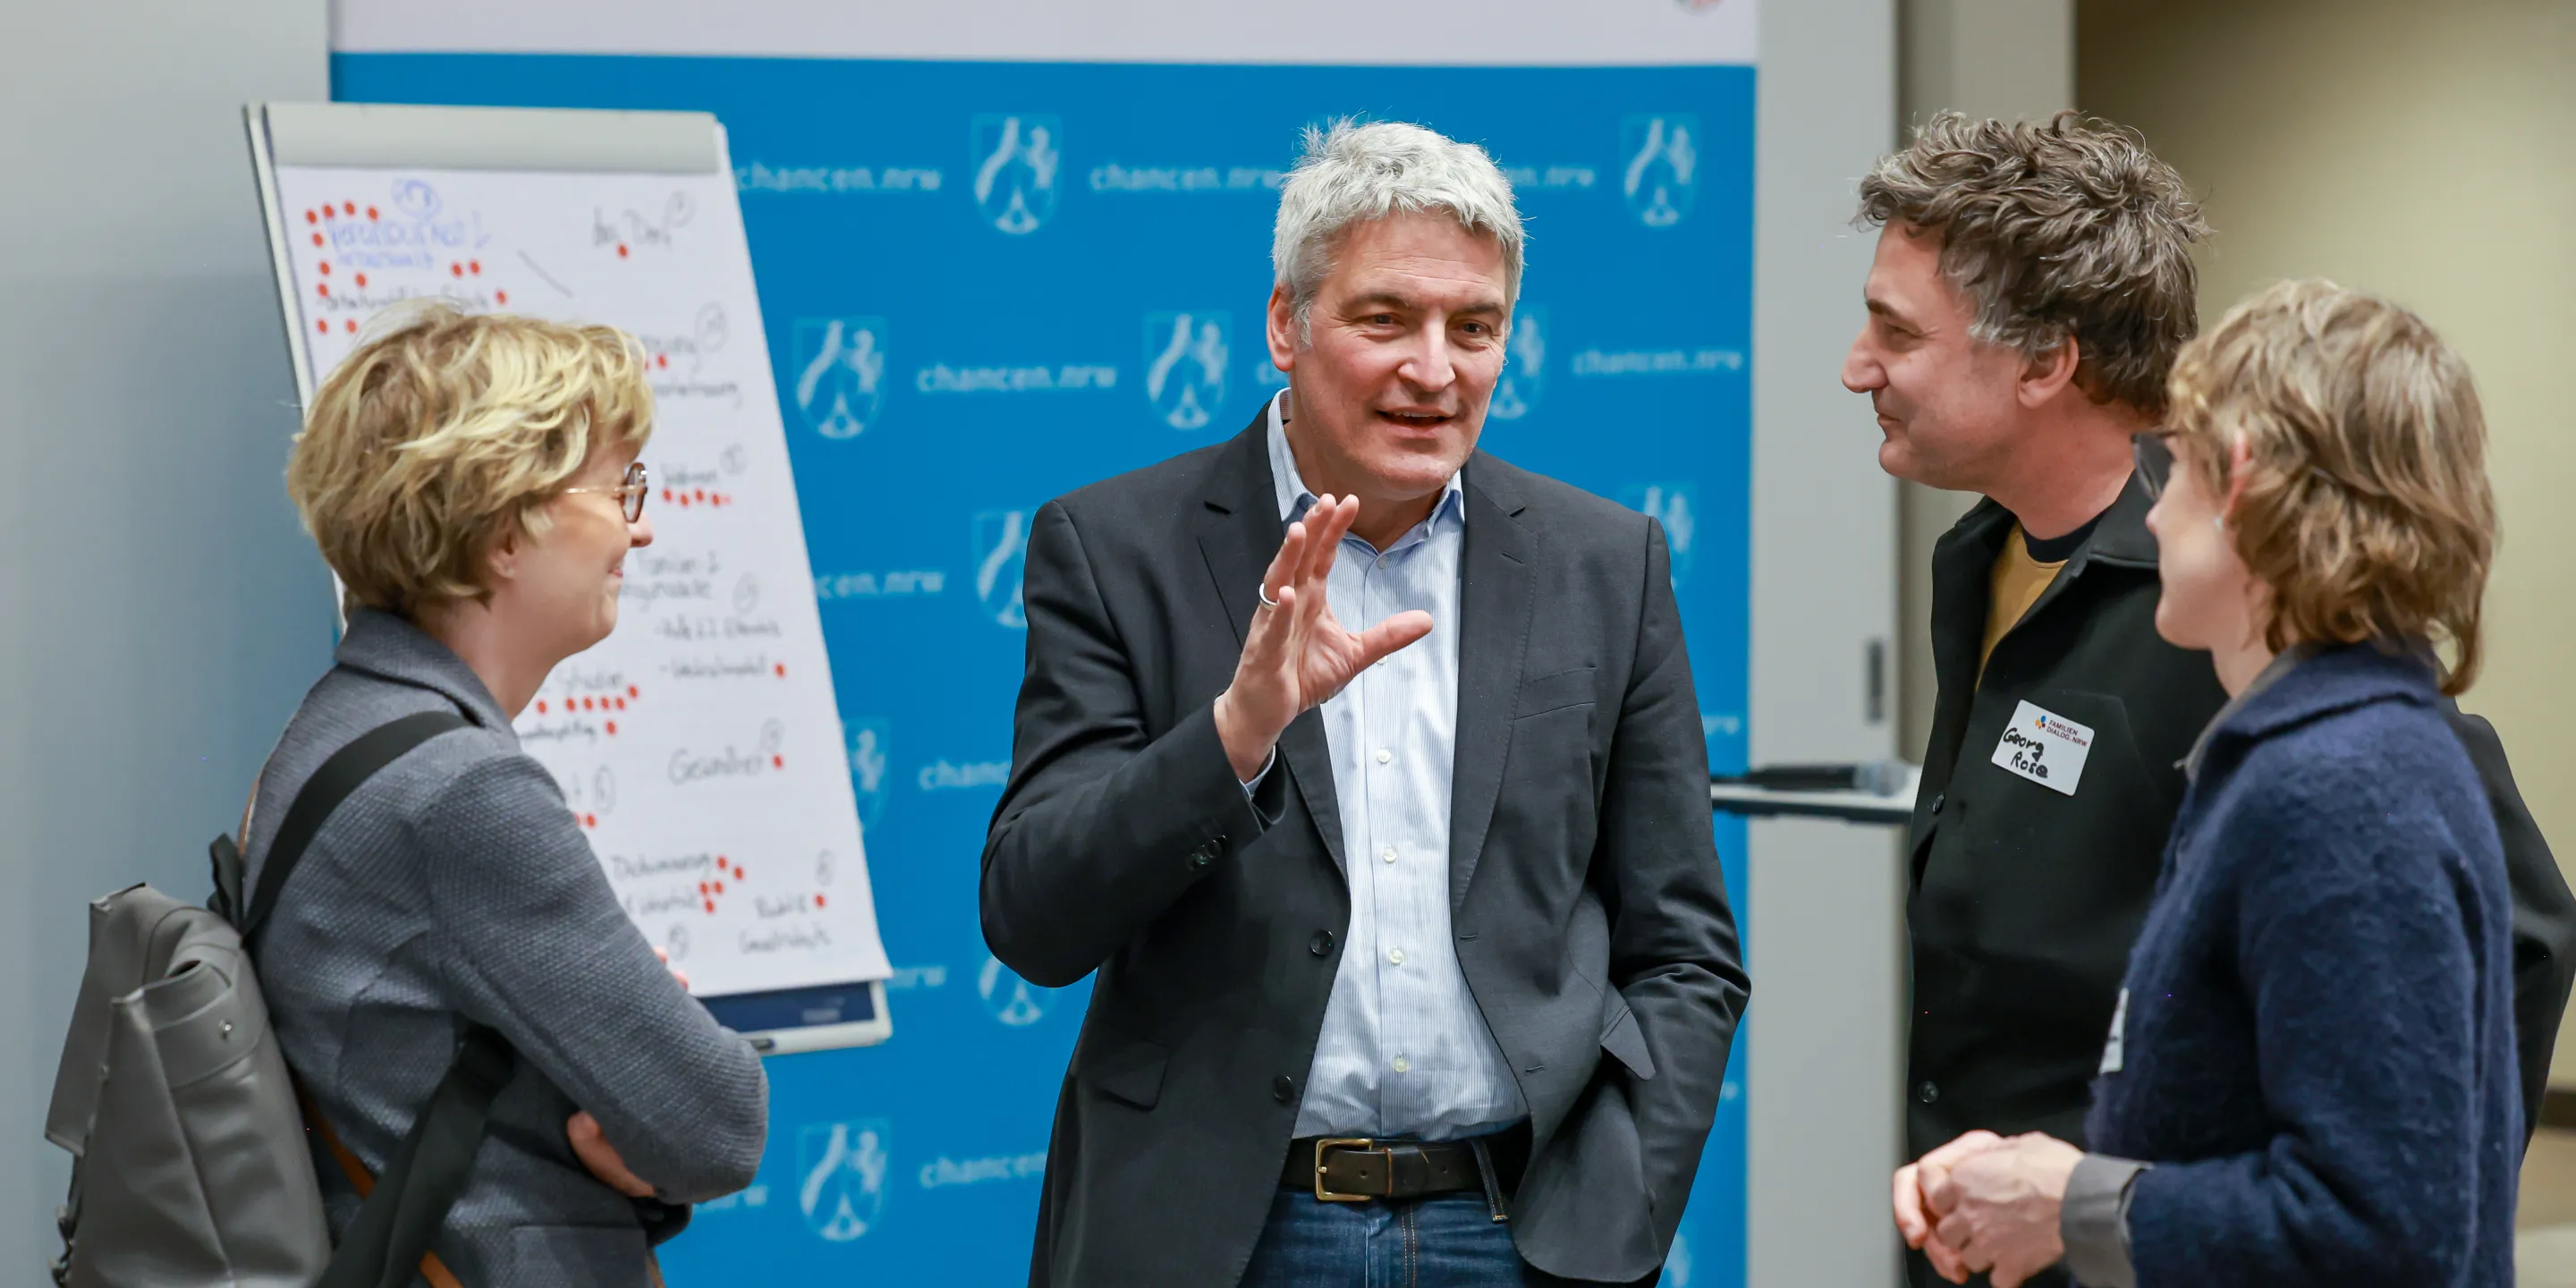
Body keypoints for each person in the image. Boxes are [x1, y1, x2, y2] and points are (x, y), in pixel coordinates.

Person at [980, 120, 1749, 1288]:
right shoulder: (1114, 548)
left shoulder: (1605, 562)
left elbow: (1684, 944)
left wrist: (1626, 1198)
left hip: (1522, 1235)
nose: (1434, 370)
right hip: (1223, 1238)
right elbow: (1033, 919)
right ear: (1285, 324)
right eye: (1385, 319)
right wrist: (1234, 738)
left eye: (1474, 328)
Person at [1841, 114, 2575, 1288]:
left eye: (1897, 331)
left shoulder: (2249, 642)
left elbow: (2508, 946)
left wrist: (2137, 1197)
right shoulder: (1976, 556)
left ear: (2044, 364)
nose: (1857, 367)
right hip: (2007, 1222)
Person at [258, 303, 767, 1284]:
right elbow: (717, 1124)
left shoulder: (338, 727)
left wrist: (627, 1117)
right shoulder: (463, 793)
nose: (641, 526)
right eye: (620, 488)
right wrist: (634, 1114)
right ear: (505, 527)